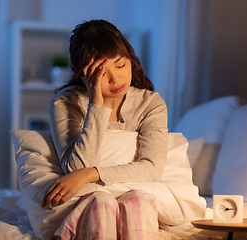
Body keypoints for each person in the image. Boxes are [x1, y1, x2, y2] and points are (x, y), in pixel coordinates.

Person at [41, 19, 168, 239]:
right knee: (101, 201)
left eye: (120, 65)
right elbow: (75, 167)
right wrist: (96, 106)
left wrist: (92, 173)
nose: (116, 78)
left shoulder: (150, 104)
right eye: (101, 72)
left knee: (139, 200)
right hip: (89, 199)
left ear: (131, 57)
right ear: (82, 74)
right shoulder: (65, 103)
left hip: (135, 196)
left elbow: (152, 168)